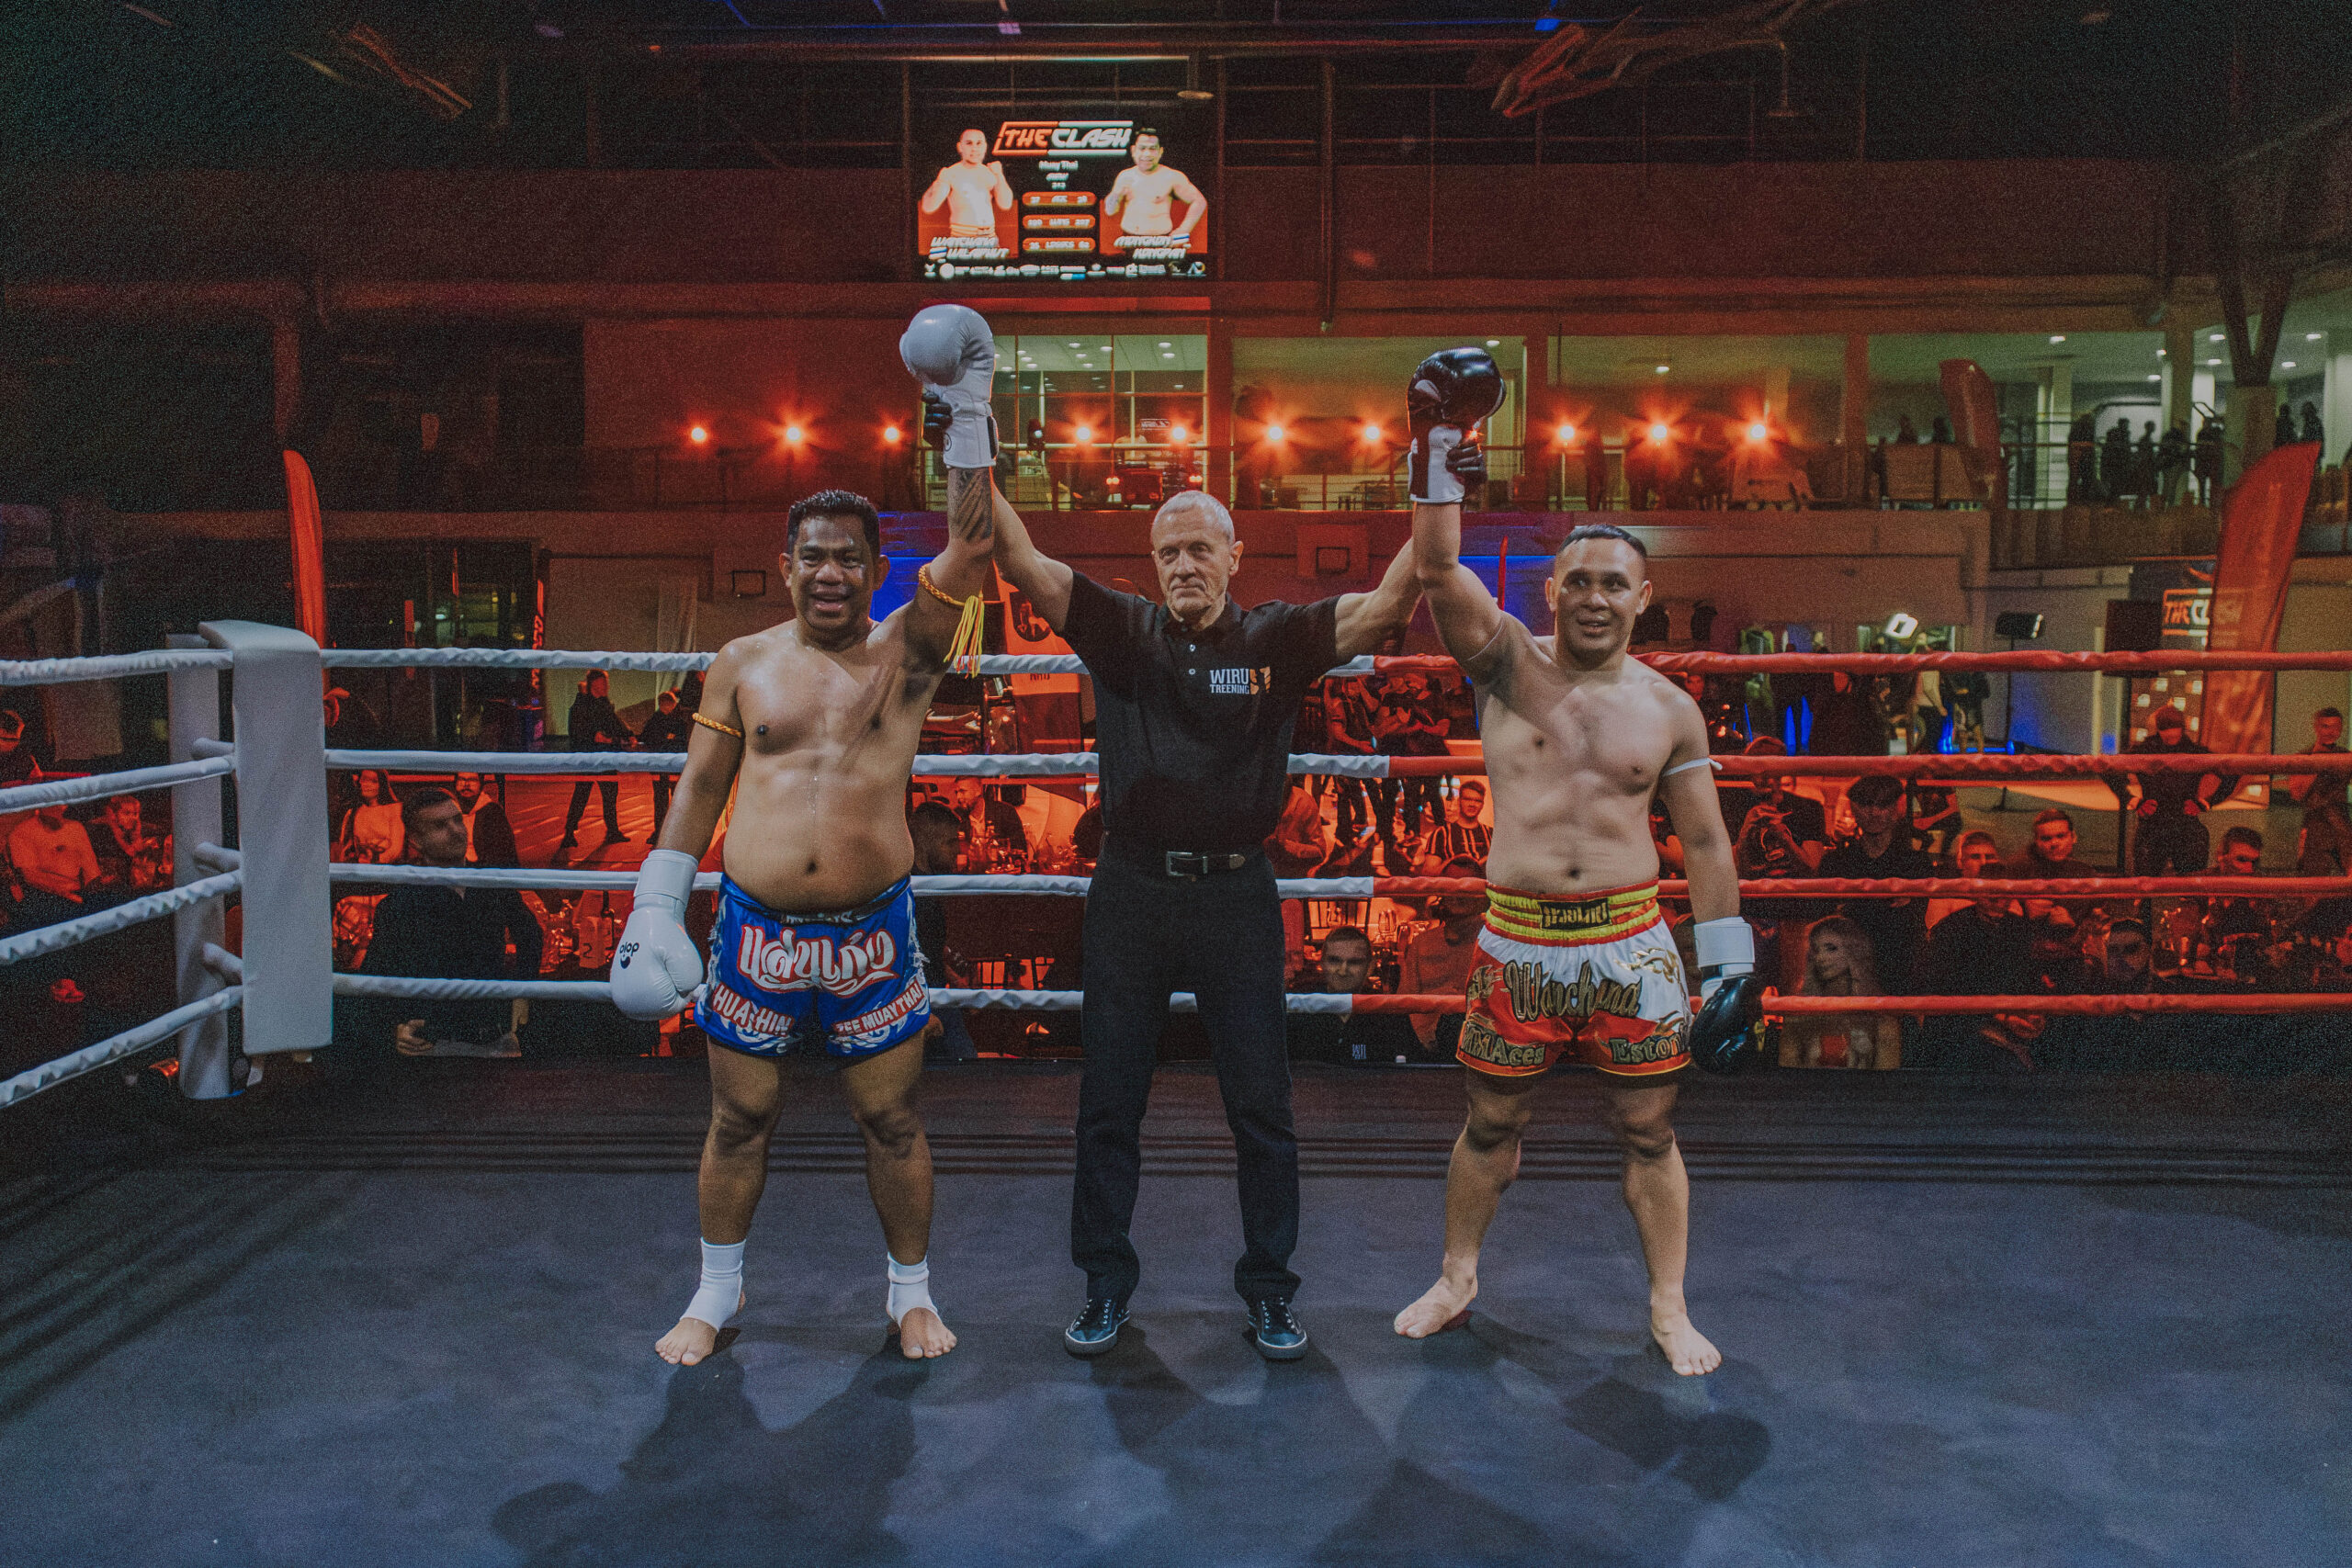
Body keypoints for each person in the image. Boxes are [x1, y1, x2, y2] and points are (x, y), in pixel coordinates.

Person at [617, 306, 1002, 1370]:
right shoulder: (741, 664)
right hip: (758, 931)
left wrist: (969, 412)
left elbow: (974, 545)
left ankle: (911, 1296)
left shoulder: (907, 655)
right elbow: (701, 787)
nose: (830, 573)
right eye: (813, 557)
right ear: (784, 565)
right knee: (738, 1120)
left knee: (893, 1120)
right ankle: (717, 1291)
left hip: (872, 931)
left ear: (876, 569)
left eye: (848, 559)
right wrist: (656, 904)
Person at [985, 424, 1419, 1361]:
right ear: (1153, 563)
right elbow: (1017, 558)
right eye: (1169, 552)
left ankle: (1270, 1291)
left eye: (1199, 549)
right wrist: (973, 427)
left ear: (1233, 555)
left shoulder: (1275, 637)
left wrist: (1434, 467)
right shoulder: (1122, 629)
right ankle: (1105, 1285)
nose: (1184, 565)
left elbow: (1392, 601)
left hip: (1236, 895)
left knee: (1261, 1104)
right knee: (1109, 1101)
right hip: (1132, 891)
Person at [1392, 346, 1757, 1378]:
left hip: (1630, 945)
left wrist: (1730, 963)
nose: (1595, 598)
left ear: (1645, 597)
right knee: (1489, 1121)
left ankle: (1669, 1305)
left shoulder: (1670, 708)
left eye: (1614, 584)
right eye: (1580, 581)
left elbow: (1704, 840)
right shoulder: (1506, 663)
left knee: (1649, 1130)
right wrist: (1436, 456)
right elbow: (1436, 571)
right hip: (1519, 942)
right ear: (1551, 589)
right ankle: (1457, 1276)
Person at [361, 789, 542, 1060]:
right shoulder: (401, 902)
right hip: (433, 1047)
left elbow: (531, 935)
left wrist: (522, 992)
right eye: (440, 825)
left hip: (494, 1039)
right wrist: (395, 1028)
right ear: (416, 840)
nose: (456, 830)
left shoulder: (492, 882)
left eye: (458, 820)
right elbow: (375, 977)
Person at [1912, 831, 2043, 1068]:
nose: (1995, 900)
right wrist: (2001, 1017)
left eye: (2001, 895)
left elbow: (2027, 975)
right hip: (1960, 1021)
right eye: (1989, 895)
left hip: (2005, 1014)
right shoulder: (1952, 928)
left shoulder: (2019, 928)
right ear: (1976, 894)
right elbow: (1946, 986)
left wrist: (2035, 1013)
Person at [1815, 773, 1937, 991]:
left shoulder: (1916, 863)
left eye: (1882, 804)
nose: (1874, 812)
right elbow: (1823, 916)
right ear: (1853, 808)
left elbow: (1915, 919)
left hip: (1898, 966)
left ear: (1895, 808)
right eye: (1865, 804)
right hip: (1849, 968)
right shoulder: (1836, 861)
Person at [2108, 705, 2236, 876]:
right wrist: (2132, 800)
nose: (2171, 739)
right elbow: (2107, 769)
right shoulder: (2147, 750)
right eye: (2167, 735)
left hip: (2180, 825)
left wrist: (2206, 802)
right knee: (2147, 883)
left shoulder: (2193, 752)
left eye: (2174, 735)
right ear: (2159, 731)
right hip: (2156, 825)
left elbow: (2232, 772)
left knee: (2188, 883)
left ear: (2182, 730)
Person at [1284, 926, 1424, 1066]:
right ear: (1322, 963)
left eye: (1354, 962)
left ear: (1370, 967)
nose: (1343, 970)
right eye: (1334, 961)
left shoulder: (1390, 1013)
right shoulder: (1299, 1010)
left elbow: (1418, 1069)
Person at [1396, 859, 1490, 1059]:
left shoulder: (1496, 944)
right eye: (1451, 886)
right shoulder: (1422, 944)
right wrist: (1424, 1039)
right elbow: (1404, 1003)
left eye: (1467, 886)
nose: (1458, 894)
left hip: (1482, 1050)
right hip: (1425, 1053)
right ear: (1441, 892)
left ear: (1481, 894)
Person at [909, 800, 978, 1065]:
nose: (957, 850)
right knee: (964, 1066)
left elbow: (924, 950)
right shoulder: (912, 892)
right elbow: (903, 954)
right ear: (926, 843)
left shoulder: (925, 885)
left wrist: (954, 979)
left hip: (933, 995)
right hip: (925, 1000)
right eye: (949, 842)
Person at [1782, 917, 1900, 1069]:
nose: (1820, 958)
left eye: (1831, 949)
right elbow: (1787, 1073)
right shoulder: (1799, 1014)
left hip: (1864, 1085)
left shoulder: (1881, 1018)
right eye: (1816, 950)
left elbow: (1887, 1077)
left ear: (1854, 952)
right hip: (1810, 1085)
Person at [560, 671, 633, 849]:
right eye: (604, 683)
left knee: (610, 793)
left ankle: (612, 831)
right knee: (582, 794)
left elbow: (614, 722)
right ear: (595, 684)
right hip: (588, 757)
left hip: (604, 756)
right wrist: (595, 737)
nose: (607, 686)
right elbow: (577, 731)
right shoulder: (581, 706)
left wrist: (628, 734)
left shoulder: (604, 704)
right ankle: (569, 832)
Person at [1102, 128, 1205, 250]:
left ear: (1160, 151)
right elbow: (1110, 211)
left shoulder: (1172, 176)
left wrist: (1184, 230)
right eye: (1142, 148)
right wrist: (1116, 194)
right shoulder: (1124, 176)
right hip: (1129, 239)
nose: (1147, 154)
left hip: (1160, 241)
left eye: (1152, 149)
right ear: (1133, 150)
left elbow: (1199, 201)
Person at [919, 129, 1012, 247]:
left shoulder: (991, 173)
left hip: (989, 238)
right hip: (961, 239)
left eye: (979, 143)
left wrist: (999, 175)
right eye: (969, 143)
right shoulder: (951, 173)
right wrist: (938, 182)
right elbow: (928, 207)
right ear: (960, 147)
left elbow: (1006, 204)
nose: (974, 149)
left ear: (985, 147)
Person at [2286, 707, 2350, 875]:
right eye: (2325, 726)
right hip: (2315, 825)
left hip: (2342, 825)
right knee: (2313, 879)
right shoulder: (2303, 757)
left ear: (2341, 729)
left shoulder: (2346, 757)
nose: (2331, 732)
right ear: (2316, 728)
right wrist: (2317, 762)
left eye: (2335, 727)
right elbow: (2296, 794)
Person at [86, 794, 171, 904]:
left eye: (135, 814)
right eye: (126, 813)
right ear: (114, 814)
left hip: (138, 893)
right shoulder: (99, 832)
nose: (132, 818)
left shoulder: (146, 830)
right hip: (107, 894)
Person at [638, 689, 695, 836]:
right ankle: (671, 832)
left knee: (664, 800)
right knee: (670, 800)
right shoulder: (676, 721)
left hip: (663, 765)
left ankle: (662, 832)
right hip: (672, 765)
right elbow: (682, 742)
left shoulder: (657, 721)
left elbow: (647, 739)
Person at [449, 773, 518, 868]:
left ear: (481, 785)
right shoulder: (448, 810)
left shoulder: (493, 812)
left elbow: (504, 854)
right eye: (461, 779)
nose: (466, 784)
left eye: (472, 780)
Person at [337, 769, 404, 865]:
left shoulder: (394, 810)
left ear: (382, 784)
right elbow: (346, 848)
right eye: (363, 780)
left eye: (373, 781)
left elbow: (396, 848)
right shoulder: (353, 813)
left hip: (385, 866)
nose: (366, 784)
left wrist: (377, 860)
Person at [1423, 778, 1493, 869]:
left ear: (1482, 804)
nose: (1472, 804)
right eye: (1467, 799)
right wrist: (1452, 863)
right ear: (1459, 801)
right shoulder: (1440, 834)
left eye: (1477, 801)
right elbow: (1428, 872)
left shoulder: (1493, 834)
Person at [0, 709, 39, 784]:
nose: (12, 745)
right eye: (6, 740)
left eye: (15, 740)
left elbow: (37, 778)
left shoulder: (23, 756)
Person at [2155, 423, 2191, 505]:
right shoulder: (2180, 438)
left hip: (2166, 464)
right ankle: (2170, 505)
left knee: (2166, 486)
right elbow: (2183, 451)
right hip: (2173, 464)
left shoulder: (2166, 436)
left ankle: (2162, 504)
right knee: (2172, 486)